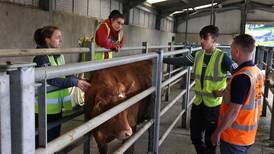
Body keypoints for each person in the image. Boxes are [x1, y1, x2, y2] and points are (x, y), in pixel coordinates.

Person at [164, 25, 235, 154]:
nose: (201, 41)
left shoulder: (223, 58)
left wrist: (224, 92)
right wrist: (162, 58)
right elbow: (182, 60)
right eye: (200, 38)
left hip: (213, 106)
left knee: (210, 140)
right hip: (198, 103)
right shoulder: (197, 54)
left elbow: (238, 75)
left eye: (204, 38)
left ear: (213, 39)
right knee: (195, 137)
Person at [33, 25, 91, 144]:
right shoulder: (41, 58)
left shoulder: (59, 56)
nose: (61, 40)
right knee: (42, 142)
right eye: (57, 37)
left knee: (53, 140)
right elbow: (51, 79)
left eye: (61, 37)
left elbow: (67, 74)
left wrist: (79, 81)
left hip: (56, 108)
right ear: (47, 39)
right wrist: (75, 82)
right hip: (43, 110)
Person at [211, 34, 264, 154]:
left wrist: (218, 132)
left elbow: (234, 111)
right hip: (248, 135)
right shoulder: (256, 72)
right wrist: (223, 93)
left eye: (231, 49)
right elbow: (246, 97)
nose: (230, 52)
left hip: (234, 137)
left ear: (237, 51)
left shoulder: (241, 77)